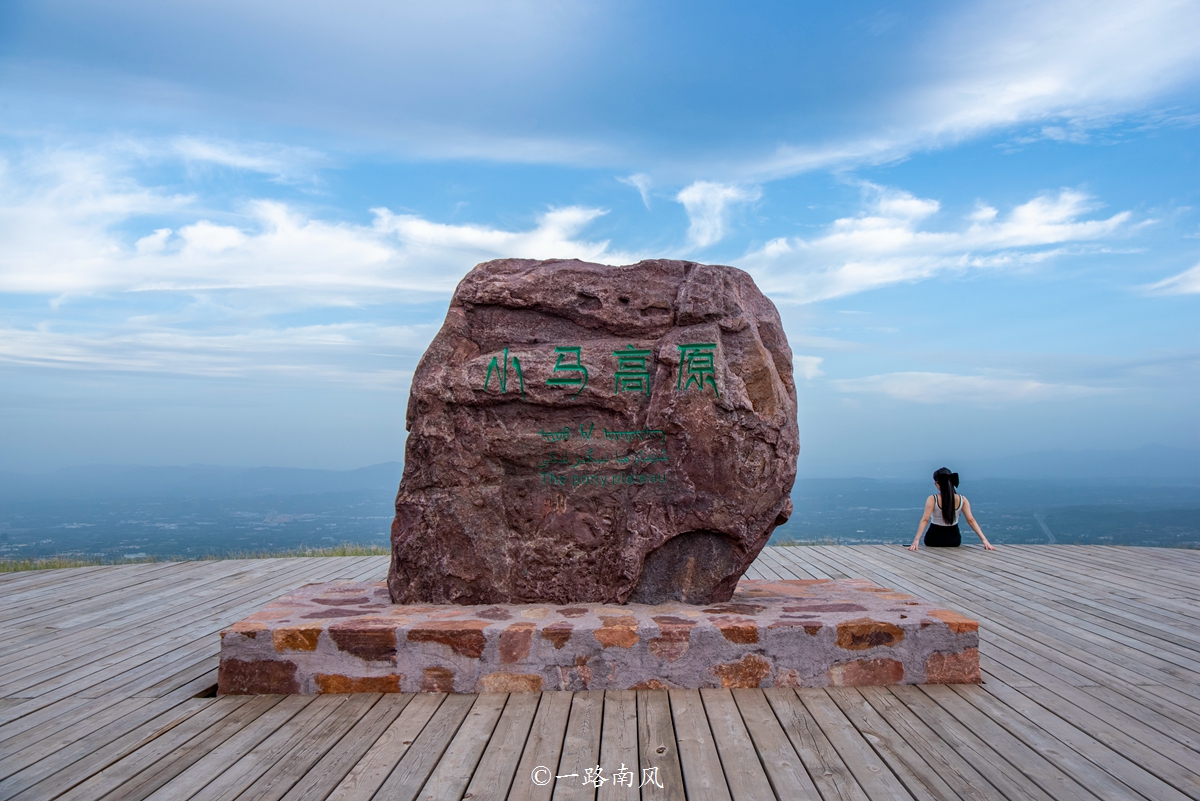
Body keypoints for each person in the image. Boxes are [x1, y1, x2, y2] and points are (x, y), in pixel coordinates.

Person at [908, 467, 996, 551]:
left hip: (933, 539)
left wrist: (916, 540)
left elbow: (925, 520)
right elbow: (971, 520)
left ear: (937, 483)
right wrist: (984, 540)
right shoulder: (962, 499)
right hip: (953, 540)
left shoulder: (932, 499)